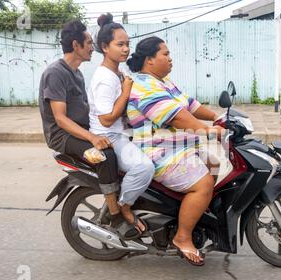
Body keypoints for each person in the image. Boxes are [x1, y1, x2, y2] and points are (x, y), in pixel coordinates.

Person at [126, 36, 223, 266]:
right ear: (149, 60)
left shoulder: (163, 81)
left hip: (176, 146)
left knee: (215, 163)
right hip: (157, 151)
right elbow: (177, 116)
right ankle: (182, 237)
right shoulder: (144, 85)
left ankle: (192, 215)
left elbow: (188, 104)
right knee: (204, 184)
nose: (170, 59)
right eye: (165, 54)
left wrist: (217, 117)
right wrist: (208, 131)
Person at [38, 20, 121, 224]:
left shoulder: (77, 73)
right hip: (62, 136)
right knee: (103, 157)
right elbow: (60, 118)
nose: (92, 47)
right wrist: (92, 137)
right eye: (89, 43)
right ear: (76, 45)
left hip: (80, 130)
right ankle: (116, 215)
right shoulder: (55, 73)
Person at [88, 13, 154, 239]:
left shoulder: (119, 71)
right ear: (105, 47)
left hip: (123, 133)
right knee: (144, 167)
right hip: (109, 136)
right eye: (120, 44)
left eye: (127, 44)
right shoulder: (104, 77)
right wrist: (126, 90)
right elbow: (106, 118)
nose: (126, 49)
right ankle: (123, 207)